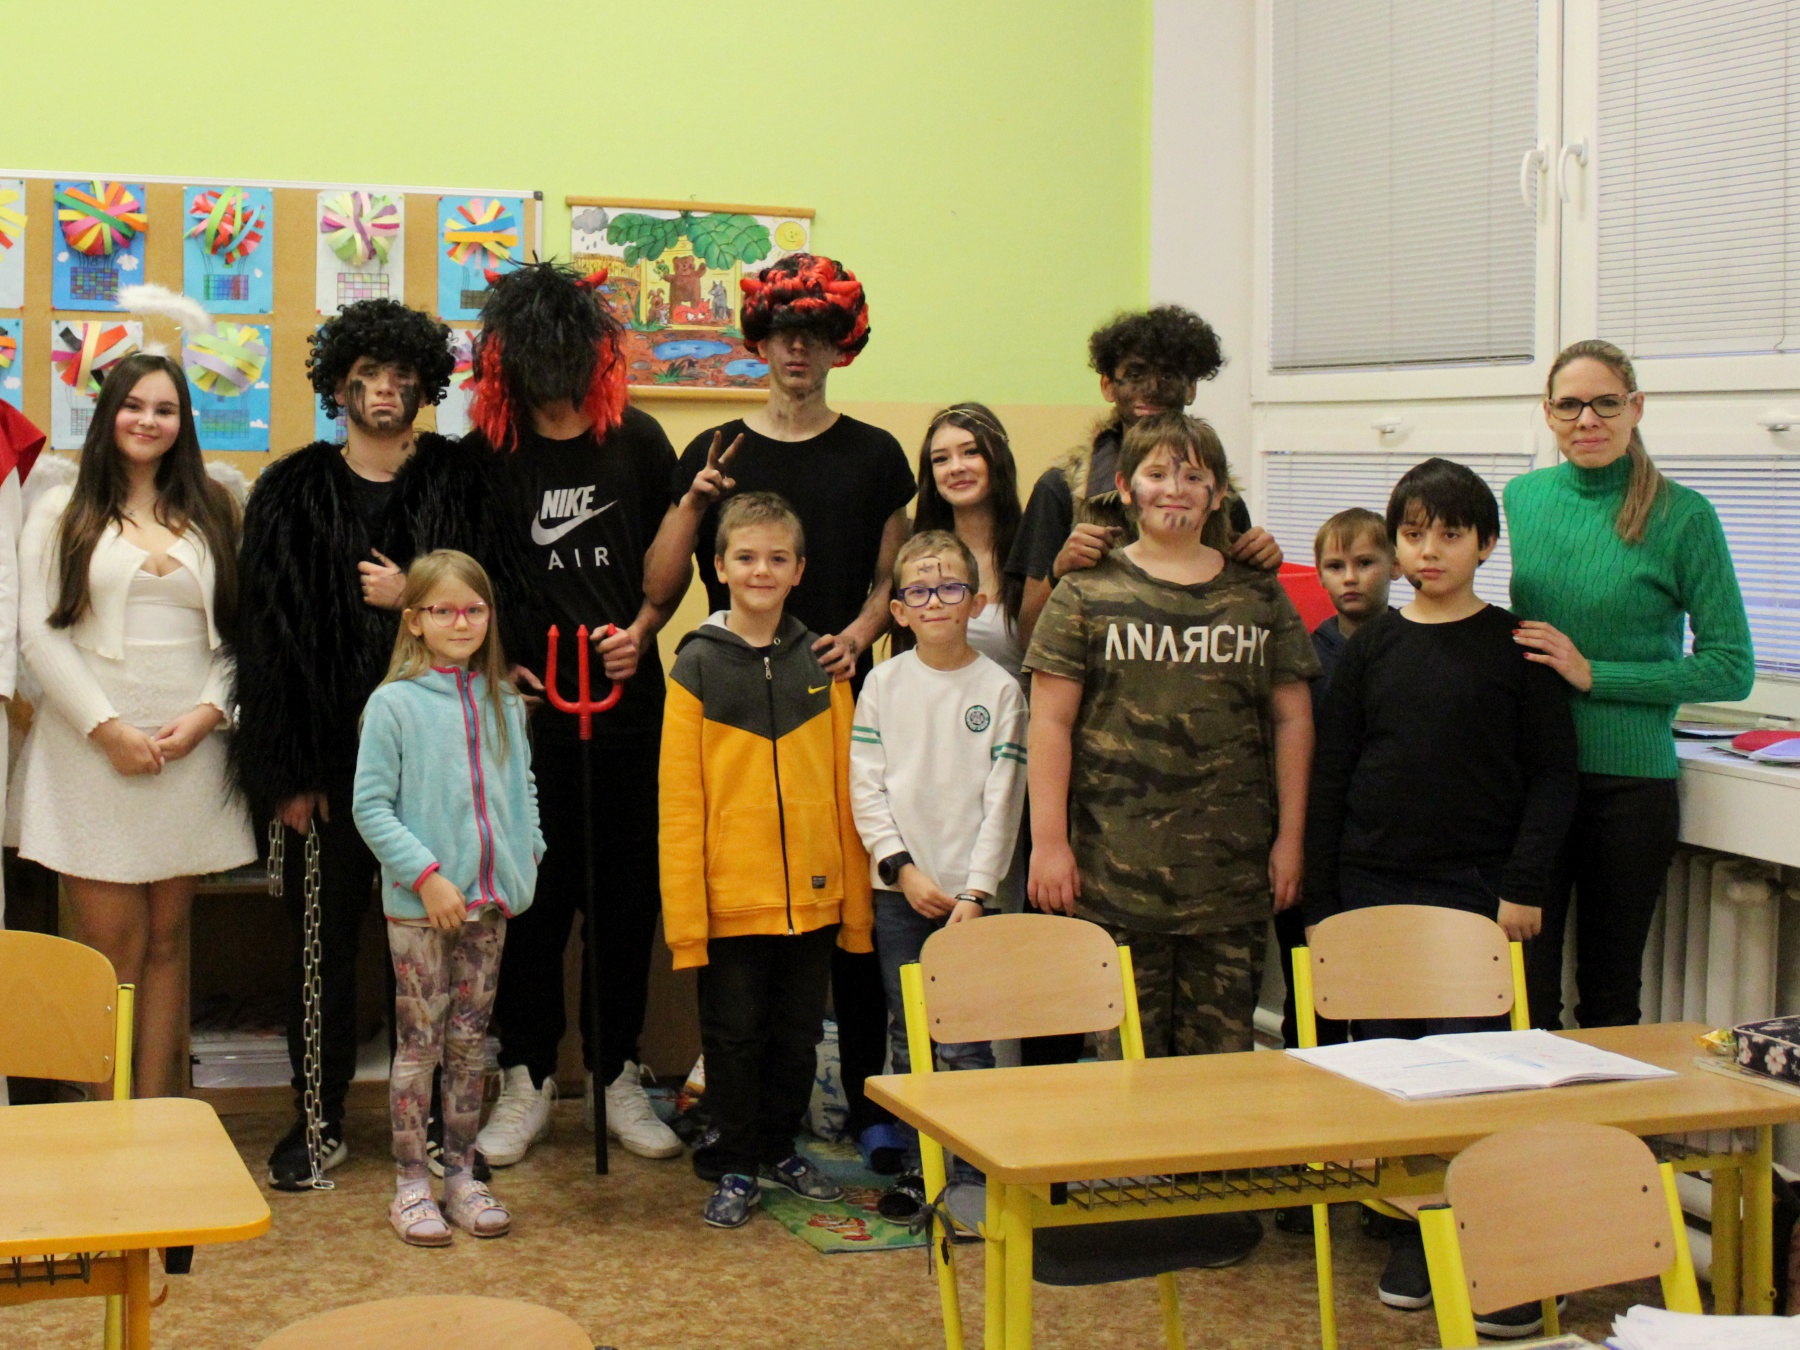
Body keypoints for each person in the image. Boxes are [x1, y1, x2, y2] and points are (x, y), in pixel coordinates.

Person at [234, 298, 533, 1189]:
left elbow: (500, 603)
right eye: (366, 375)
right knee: (320, 950)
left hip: (443, 775)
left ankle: (445, 1127)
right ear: (338, 385)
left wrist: (413, 595)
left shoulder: (464, 483)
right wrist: (287, 771)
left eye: (402, 376)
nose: (384, 390)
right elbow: (264, 638)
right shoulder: (291, 490)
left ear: (425, 386)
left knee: (447, 958)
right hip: (327, 770)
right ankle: (318, 1118)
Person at [646, 251, 910, 1170]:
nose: (800, 350)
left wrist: (860, 633)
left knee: (845, 902)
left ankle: (864, 1101)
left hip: (836, 698)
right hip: (733, 699)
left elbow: (893, 575)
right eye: (785, 333)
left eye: (818, 335)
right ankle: (733, 1105)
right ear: (758, 342)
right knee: (749, 926)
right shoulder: (717, 449)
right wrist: (693, 501)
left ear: (842, 346)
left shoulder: (876, 454)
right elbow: (660, 583)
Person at [1305, 459, 1581, 1337]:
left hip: (1481, 895)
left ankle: (1498, 1251)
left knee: (1483, 1078)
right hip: (1375, 888)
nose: (1430, 551)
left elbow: (1553, 777)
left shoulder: (1518, 648)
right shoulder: (1370, 648)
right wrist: (1325, 903)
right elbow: (1333, 774)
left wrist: (1524, 886)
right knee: (1396, 1073)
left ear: (1485, 545)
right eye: (1415, 534)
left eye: (1450, 534)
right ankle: (1416, 1238)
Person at [463, 260, 683, 1166]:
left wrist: (645, 629)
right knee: (529, 899)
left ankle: (617, 1071)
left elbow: (673, 563)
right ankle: (526, 1076)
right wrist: (496, 662)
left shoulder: (640, 441)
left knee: (625, 901)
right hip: (525, 717)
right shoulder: (487, 456)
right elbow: (466, 578)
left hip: (628, 707)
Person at [1025, 411, 1317, 1058]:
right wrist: (1049, 844)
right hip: (1113, 883)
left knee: (1219, 1077)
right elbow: (1049, 722)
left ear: (1219, 493)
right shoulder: (1085, 593)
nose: (1175, 489)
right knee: (1126, 1073)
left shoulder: (1258, 596)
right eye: (1157, 474)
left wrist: (1291, 840)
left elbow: (1293, 719)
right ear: (1125, 488)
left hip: (1232, 886)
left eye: (1193, 475)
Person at [16, 352, 252, 1098]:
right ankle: (106, 1116)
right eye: (134, 405)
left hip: (188, 752)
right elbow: (37, 633)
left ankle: (155, 1114)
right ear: (107, 413)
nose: (148, 421)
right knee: (109, 950)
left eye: (165, 409)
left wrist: (209, 713)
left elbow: (243, 632)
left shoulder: (216, 505)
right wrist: (106, 729)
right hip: (92, 752)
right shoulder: (61, 507)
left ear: (184, 422)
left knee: (168, 942)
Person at [1508, 339, 1753, 1031]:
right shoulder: (1523, 499)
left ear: (1635, 407)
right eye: (1569, 405)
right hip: (1535, 776)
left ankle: (1615, 1110)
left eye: (1606, 403)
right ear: (1548, 413)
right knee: (1524, 992)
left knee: (1610, 996)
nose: (1587, 419)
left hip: (1629, 788)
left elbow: (1731, 666)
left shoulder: (1683, 515)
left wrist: (1595, 674)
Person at [658, 492, 873, 1228]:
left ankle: (779, 1148)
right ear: (719, 567)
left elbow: (846, 791)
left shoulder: (822, 662)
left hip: (813, 899)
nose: (761, 570)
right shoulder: (694, 666)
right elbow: (679, 805)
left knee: (798, 1037)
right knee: (734, 1038)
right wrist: (688, 922)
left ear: (799, 570)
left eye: (777, 559)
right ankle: (735, 1161)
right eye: (746, 557)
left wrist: (854, 911)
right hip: (730, 903)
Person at [354, 550, 539, 1246]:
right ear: (414, 620)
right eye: (444, 610)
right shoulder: (392, 705)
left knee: (470, 1046)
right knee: (420, 1047)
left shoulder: (505, 703)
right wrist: (426, 876)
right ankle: (411, 1184)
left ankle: (461, 1175)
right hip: (420, 908)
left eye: (474, 610)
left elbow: (524, 791)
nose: (461, 623)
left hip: (490, 906)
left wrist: (527, 855)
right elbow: (371, 808)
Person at [850, 530, 1027, 1197]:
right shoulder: (883, 684)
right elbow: (866, 788)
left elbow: (1003, 802)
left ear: (976, 602)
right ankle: (920, 1170)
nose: (935, 602)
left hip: (971, 902)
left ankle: (974, 1172)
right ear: (898, 609)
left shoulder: (1001, 691)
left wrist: (976, 893)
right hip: (900, 892)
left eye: (950, 588)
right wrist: (901, 869)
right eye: (919, 591)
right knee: (910, 1031)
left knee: (968, 1036)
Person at [1008, 305, 1283, 653]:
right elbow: (1028, 638)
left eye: (1168, 374)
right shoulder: (1060, 489)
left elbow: (1254, 630)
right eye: (1136, 374)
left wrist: (1261, 567)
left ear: (1191, 388)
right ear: (1108, 386)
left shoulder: (1219, 501)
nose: (1152, 389)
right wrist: (1058, 572)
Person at [1276, 507, 1399, 1055]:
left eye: (1366, 563)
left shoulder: (1410, 645)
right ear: (1319, 575)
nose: (1350, 578)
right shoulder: (1304, 657)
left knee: (1381, 1003)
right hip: (1312, 852)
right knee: (1309, 1004)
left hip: (1383, 855)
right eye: (1335, 566)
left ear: (1395, 565)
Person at [902, 403, 1027, 678]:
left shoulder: (1031, 551)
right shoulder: (913, 556)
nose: (956, 468)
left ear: (999, 459)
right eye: (940, 459)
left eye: (971, 452)